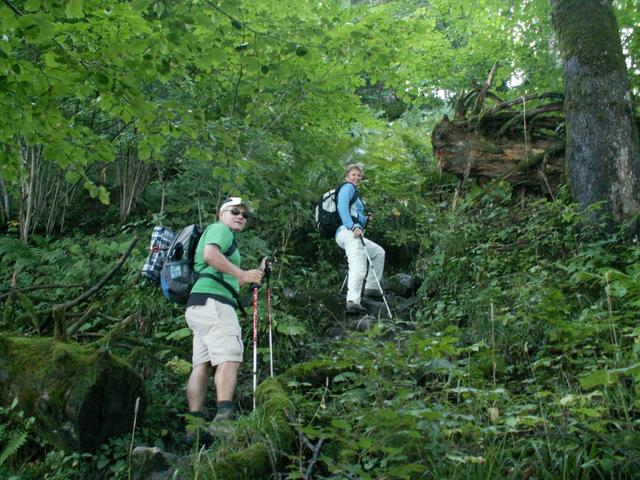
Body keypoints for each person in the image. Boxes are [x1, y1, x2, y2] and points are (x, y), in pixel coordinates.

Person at [184, 197, 265, 434]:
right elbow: (210, 255)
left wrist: (258, 271)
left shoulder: (222, 235)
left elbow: (227, 275)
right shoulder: (220, 229)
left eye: (245, 215)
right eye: (235, 212)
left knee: (203, 364)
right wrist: (241, 274)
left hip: (199, 304)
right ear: (221, 214)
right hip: (215, 303)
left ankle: (194, 427)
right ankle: (223, 421)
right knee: (229, 355)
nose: (240, 216)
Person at [335, 164, 385, 314]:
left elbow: (355, 215)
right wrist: (353, 226)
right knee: (359, 265)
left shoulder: (355, 193)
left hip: (352, 232)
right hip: (346, 232)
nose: (356, 177)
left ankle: (371, 288)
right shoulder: (347, 187)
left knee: (378, 252)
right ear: (347, 176)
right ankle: (353, 301)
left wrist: (364, 219)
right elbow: (342, 207)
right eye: (353, 174)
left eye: (359, 175)